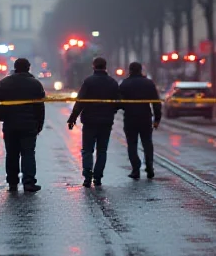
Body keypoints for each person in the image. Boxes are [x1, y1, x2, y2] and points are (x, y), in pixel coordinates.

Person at [0, 58, 46, 193]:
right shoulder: (35, 84)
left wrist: (3, 116)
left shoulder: (4, 83)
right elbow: (40, 107)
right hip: (29, 125)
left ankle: (12, 182)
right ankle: (29, 183)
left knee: (12, 154)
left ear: (15, 68)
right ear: (28, 68)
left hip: (10, 125)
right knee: (28, 154)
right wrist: (39, 124)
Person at [68, 57, 120, 188]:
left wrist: (73, 117)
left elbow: (80, 102)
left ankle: (87, 176)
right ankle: (98, 177)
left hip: (89, 121)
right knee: (102, 150)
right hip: (106, 122)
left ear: (93, 66)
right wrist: (111, 111)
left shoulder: (88, 82)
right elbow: (119, 102)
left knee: (87, 150)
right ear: (105, 66)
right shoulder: (112, 82)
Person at [119, 62, 161, 180]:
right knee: (147, 143)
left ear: (130, 70)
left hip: (130, 118)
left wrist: (125, 107)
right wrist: (157, 119)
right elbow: (156, 103)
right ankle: (149, 167)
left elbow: (118, 102)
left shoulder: (125, 84)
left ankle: (135, 169)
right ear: (141, 70)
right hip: (145, 117)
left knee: (132, 144)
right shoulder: (148, 83)